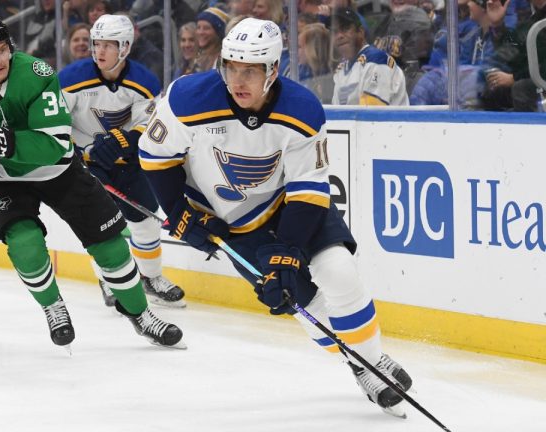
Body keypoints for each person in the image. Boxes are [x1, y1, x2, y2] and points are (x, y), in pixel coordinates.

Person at [138, 17, 413, 416]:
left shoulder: (302, 109)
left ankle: (372, 362)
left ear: (272, 70)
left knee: (339, 271)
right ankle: (358, 362)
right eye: (231, 66)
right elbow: (155, 158)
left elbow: (307, 188)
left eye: (249, 70)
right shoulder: (187, 98)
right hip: (232, 223)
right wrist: (180, 214)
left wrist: (289, 248)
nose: (237, 80)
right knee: (297, 299)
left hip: (289, 206)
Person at [0, 13, 184, 350]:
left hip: (59, 170)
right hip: (5, 180)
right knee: (25, 245)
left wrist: (2, 141)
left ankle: (141, 315)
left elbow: (54, 142)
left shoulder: (36, 75)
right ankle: (53, 306)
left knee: (111, 245)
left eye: (2, 50)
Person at [58, 14, 187, 309]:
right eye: (96, 44)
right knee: (101, 225)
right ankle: (108, 278)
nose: (99, 51)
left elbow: (148, 125)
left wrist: (123, 142)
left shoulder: (144, 80)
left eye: (108, 45)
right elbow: (56, 123)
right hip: (85, 164)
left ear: (125, 47)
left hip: (126, 163)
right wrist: (78, 156)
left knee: (146, 222)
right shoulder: (71, 79)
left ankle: (151, 278)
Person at [331, 8, 409, 106]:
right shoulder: (341, 69)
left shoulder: (377, 60)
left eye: (345, 29)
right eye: (334, 32)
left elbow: (373, 116)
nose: (339, 36)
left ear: (360, 32)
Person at [194, 6, 229, 72]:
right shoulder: (198, 58)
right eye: (198, 27)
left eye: (206, 28)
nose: (201, 32)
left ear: (218, 33)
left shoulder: (222, 61)